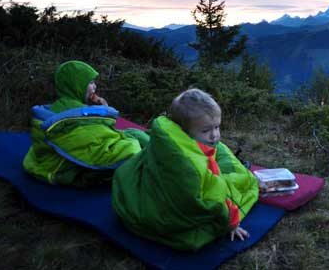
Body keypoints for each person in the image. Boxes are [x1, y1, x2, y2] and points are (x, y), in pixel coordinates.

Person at [111, 88, 259, 250]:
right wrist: (232, 224)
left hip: (142, 204)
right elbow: (215, 199)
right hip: (169, 220)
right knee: (245, 180)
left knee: (219, 149)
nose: (214, 135)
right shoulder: (192, 164)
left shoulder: (166, 134)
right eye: (206, 130)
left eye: (217, 127)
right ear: (183, 129)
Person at [23, 60, 148, 186]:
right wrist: (104, 111)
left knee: (134, 133)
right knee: (132, 145)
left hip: (54, 154)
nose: (95, 87)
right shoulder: (76, 112)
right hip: (63, 165)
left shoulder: (61, 105)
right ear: (76, 85)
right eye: (91, 83)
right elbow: (93, 137)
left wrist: (101, 110)